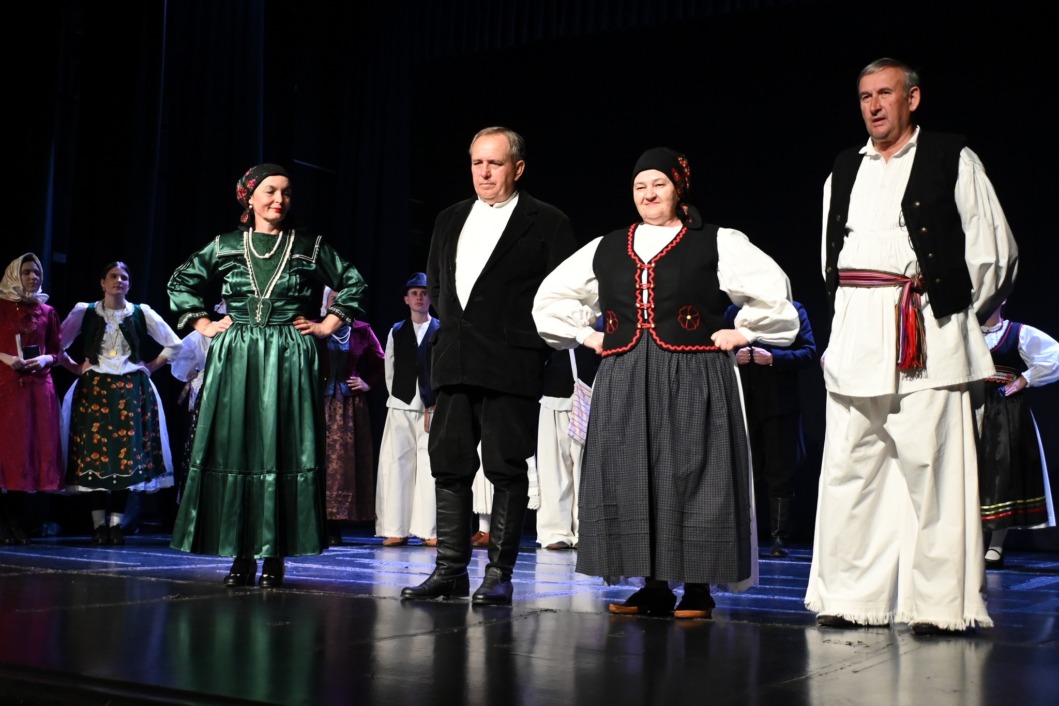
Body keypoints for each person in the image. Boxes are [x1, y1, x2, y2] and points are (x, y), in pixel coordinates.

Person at [533, 147, 799, 619]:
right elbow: (549, 298)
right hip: (625, 374)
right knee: (632, 476)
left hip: (694, 372)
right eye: (640, 186)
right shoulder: (608, 246)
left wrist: (743, 332)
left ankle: (697, 588)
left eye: (659, 184)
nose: (649, 194)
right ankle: (652, 586)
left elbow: (773, 293)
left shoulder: (715, 240)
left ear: (679, 189)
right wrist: (587, 335)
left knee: (696, 476)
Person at [804, 58, 1018, 636]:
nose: (874, 106)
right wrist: (853, 320)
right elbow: (831, 258)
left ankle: (940, 604)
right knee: (852, 467)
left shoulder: (952, 157)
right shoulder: (845, 167)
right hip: (858, 332)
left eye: (885, 94)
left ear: (912, 99)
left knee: (934, 467)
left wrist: (948, 315)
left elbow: (994, 253)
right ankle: (852, 596)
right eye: (865, 96)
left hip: (927, 330)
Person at [400, 126, 578, 606]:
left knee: (505, 467)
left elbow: (560, 293)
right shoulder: (450, 218)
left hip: (511, 364)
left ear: (517, 168)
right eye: (477, 163)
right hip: (455, 361)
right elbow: (438, 286)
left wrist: (528, 345)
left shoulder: (548, 221)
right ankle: (450, 570)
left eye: (494, 163)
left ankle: (499, 573)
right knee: (449, 466)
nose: (484, 172)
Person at [168, 163, 367, 588]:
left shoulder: (308, 245)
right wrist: (204, 324)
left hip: (288, 351)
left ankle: (274, 554)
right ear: (250, 196)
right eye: (271, 191)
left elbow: (353, 282)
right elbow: (181, 282)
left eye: (287, 192)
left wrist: (327, 325)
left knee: (282, 446)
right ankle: (240, 553)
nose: (280, 199)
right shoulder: (226, 245)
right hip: (238, 351)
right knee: (237, 445)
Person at [59, 261, 181, 545]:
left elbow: (174, 344)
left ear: (129, 283)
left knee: (126, 457)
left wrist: (150, 366)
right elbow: (57, 344)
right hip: (94, 390)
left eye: (124, 277)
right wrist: (76, 367)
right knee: (94, 457)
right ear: (102, 282)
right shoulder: (85, 311)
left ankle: (116, 525)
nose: (119, 281)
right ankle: (98, 525)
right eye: (113, 276)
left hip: (131, 391)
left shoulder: (140, 312)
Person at [724, 300, 817, 557]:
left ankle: (779, 538)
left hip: (780, 404)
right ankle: (745, 536)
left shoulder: (792, 310)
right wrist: (734, 357)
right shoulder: (735, 311)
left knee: (780, 472)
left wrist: (775, 358)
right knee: (746, 473)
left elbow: (809, 351)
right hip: (744, 404)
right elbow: (716, 350)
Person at [978, 302, 1058, 568]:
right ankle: (969, 540)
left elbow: (1054, 355)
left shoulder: (1016, 332)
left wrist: (1025, 378)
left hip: (1004, 409)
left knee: (1002, 472)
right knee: (970, 472)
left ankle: (996, 544)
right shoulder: (966, 333)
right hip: (970, 406)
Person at [0, 253, 65, 543]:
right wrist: (6, 357)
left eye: (36, 273)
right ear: (15, 274)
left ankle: (16, 522)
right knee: (7, 451)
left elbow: (57, 351)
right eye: (26, 272)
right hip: (6, 387)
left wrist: (44, 360)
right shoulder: (2, 307)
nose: (32, 277)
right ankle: (3, 522)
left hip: (37, 388)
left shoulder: (47, 311)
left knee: (27, 452)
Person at [375, 273, 440, 548]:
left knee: (429, 468)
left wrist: (436, 401)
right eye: (414, 293)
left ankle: (429, 529)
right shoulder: (397, 330)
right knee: (396, 465)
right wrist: (396, 397)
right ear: (406, 299)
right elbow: (389, 367)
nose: (419, 297)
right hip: (401, 405)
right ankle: (395, 528)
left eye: (424, 293)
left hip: (431, 407)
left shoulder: (440, 329)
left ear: (431, 298)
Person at [320, 286, 384, 545]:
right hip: (318, 404)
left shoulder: (361, 330)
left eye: (343, 298)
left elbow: (382, 361)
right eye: (334, 299)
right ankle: (314, 523)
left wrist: (367, 383)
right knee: (319, 461)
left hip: (349, 407)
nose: (338, 302)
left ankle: (336, 525)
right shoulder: (314, 328)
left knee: (344, 466)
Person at [534, 345, 600, 551]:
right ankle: (555, 531)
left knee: (586, 469)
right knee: (553, 467)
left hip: (589, 397)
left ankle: (586, 530)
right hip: (554, 394)